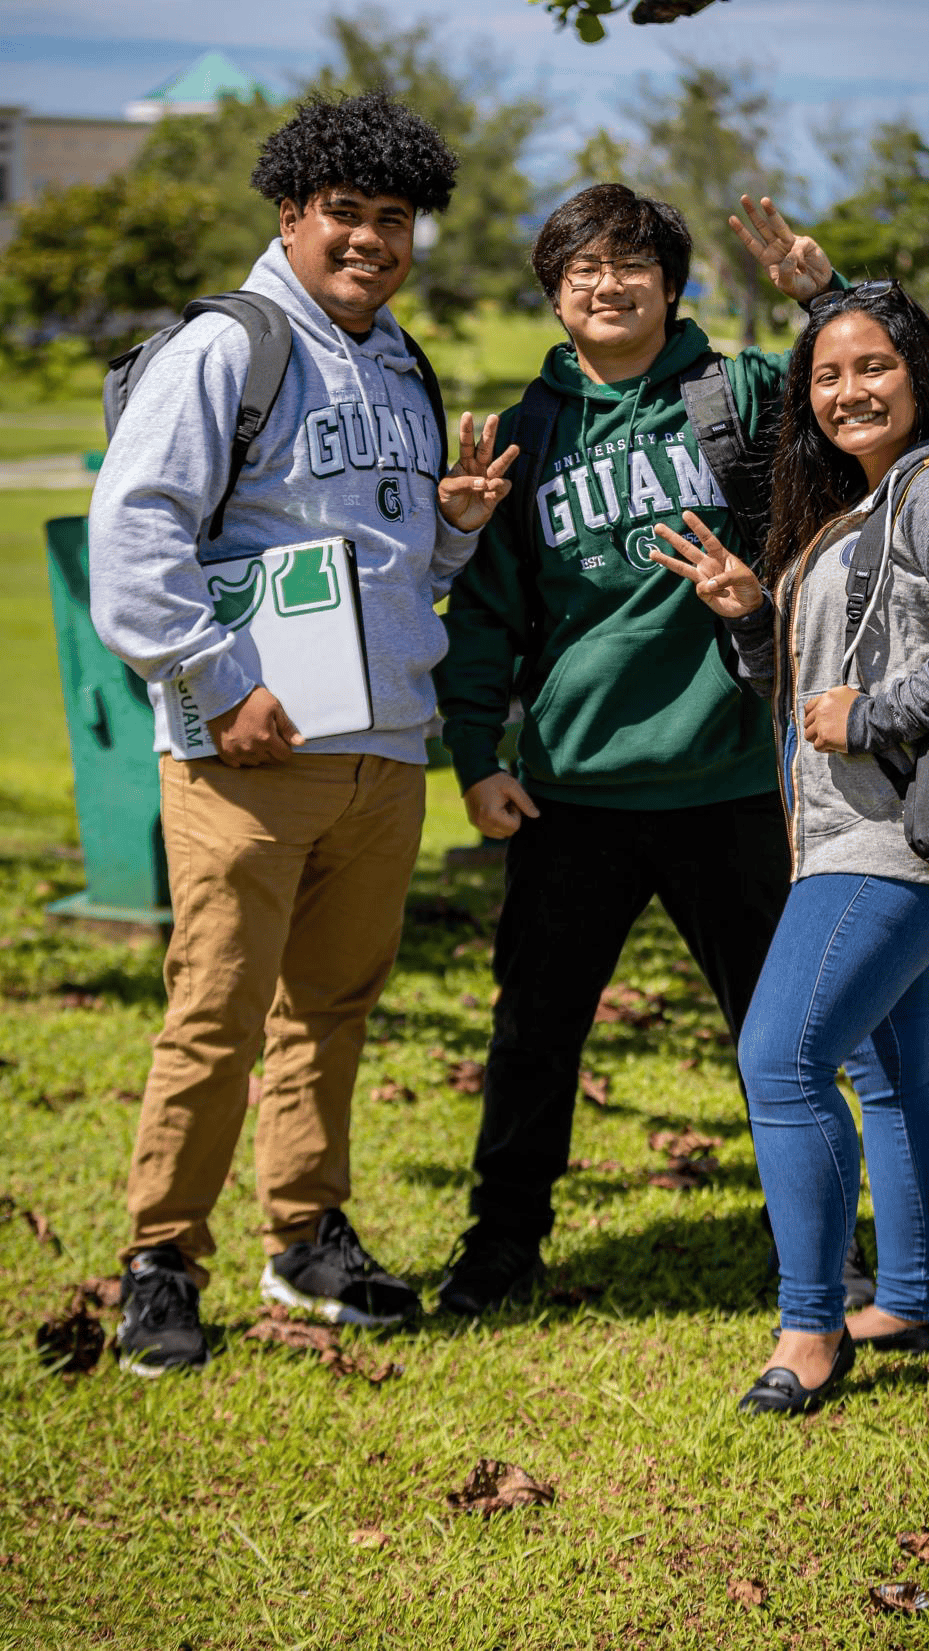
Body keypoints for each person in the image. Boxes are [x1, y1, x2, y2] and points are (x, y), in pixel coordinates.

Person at [88, 91, 516, 1376]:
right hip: (248, 750)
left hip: (385, 752)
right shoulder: (230, 344)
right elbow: (136, 533)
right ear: (293, 213)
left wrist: (455, 521)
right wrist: (219, 683)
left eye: (395, 220)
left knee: (331, 1005)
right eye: (349, 214)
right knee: (215, 1010)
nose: (374, 240)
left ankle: (304, 1235)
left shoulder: (398, 359)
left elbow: (391, 568)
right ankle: (163, 1260)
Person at [432, 183, 869, 1316]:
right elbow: (485, 612)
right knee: (533, 1033)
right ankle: (502, 1246)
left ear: (672, 286)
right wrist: (478, 755)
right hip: (571, 792)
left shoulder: (749, 393)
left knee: (783, 1038)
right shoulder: (526, 434)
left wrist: (831, 298)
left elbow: (894, 412)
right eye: (580, 270)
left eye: (631, 266)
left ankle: (821, 1254)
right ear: (555, 293)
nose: (606, 284)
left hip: (731, 780)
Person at [650, 280, 929, 1412]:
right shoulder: (856, 510)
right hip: (840, 830)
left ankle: (810, 1326)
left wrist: (870, 712)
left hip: (895, 837)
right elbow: (806, 689)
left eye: (872, 365)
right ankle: (908, 1298)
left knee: (780, 1059)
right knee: (888, 1066)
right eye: (826, 374)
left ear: (918, 369)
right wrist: (753, 617)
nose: (847, 390)